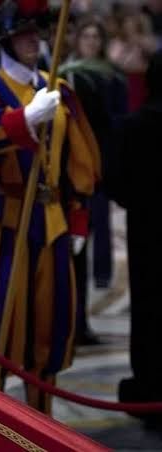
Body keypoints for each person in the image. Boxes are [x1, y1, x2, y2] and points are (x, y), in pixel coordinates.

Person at [0, 0, 101, 415]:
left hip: (52, 224)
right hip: (4, 220)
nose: (34, 39)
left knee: (49, 331)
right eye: (23, 33)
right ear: (5, 39)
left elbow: (79, 162)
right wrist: (22, 120)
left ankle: (41, 423)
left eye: (37, 30)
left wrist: (78, 218)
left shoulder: (58, 90)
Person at [62, 17, 129, 345]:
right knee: (72, 247)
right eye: (85, 36)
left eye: (95, 36)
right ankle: (69, 322)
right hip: (71, 171)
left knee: (93, 233)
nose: (90, 41)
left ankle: (83, 319)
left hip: (99, 168)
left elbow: (118, 123)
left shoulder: (111, 76)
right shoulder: (66, 73)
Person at [112, 50, 162, 427]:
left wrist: (139, 202)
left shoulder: (133, 125)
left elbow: (115, 182)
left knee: (148, 312)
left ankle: (149, 390)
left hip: (147, 231)